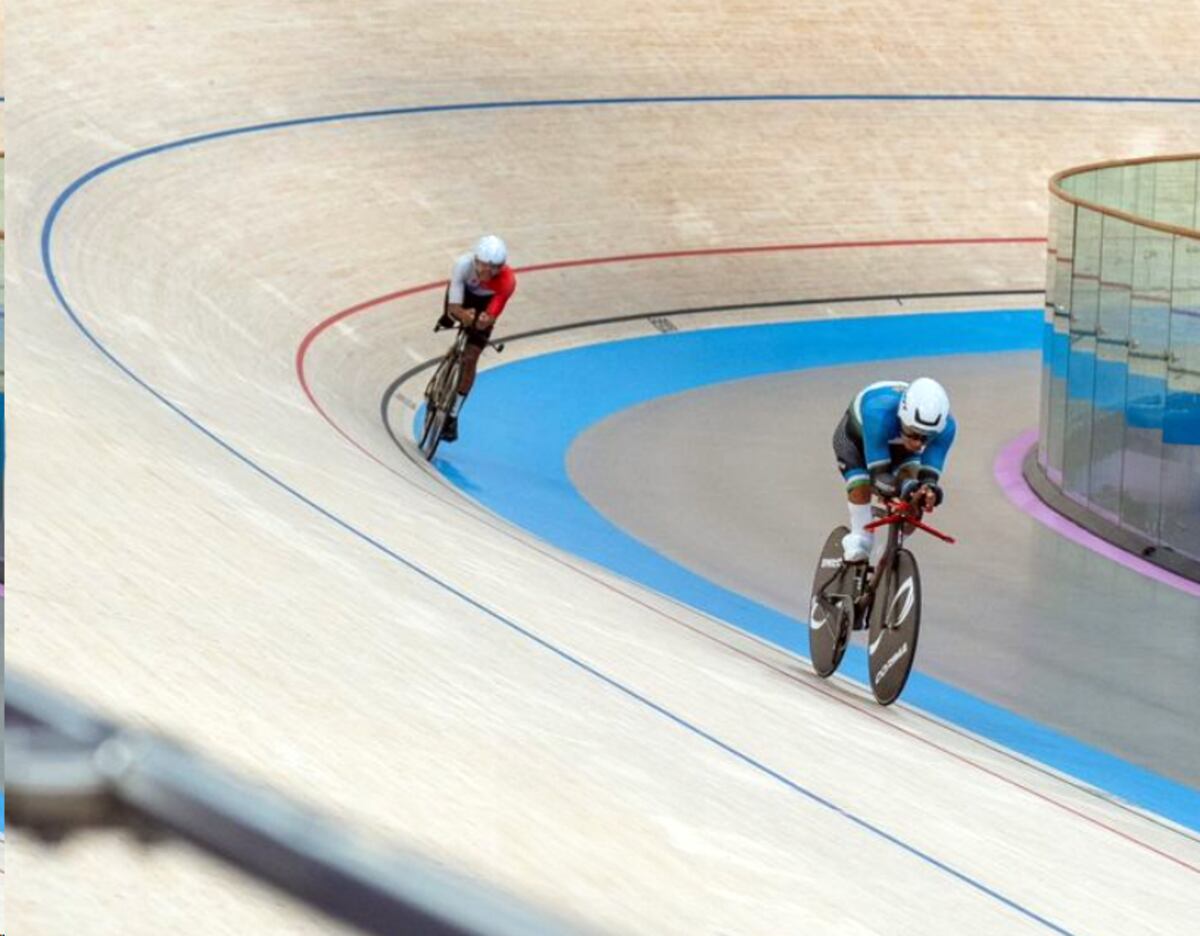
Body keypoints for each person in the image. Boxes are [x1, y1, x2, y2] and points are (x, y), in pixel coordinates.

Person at [832, 377, 956, 562]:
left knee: (918, 494)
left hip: (899, 448)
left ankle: (889, 553)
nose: (918, 444)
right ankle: (859, 538)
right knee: (861, 483)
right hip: (857, 441)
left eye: (926, 438)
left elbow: (929, 477)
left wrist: (928, 491)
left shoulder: (946, 428)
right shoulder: (877, 411)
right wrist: (904, 486)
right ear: (902, 417)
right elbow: (878, 477)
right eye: (913, 433)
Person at [434, 235, 517, 442]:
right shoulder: (463, 265)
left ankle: (453, 415)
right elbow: (454, 306)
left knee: (471, 357)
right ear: (475, 260)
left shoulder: (507, 281)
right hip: (464, 297)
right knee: (450, 316)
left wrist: (483, 321)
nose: (487, 272)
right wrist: (460, 315)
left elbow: (491, 314)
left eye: (494, 268)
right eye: (483, 266)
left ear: (502, 267)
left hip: (485, 304)